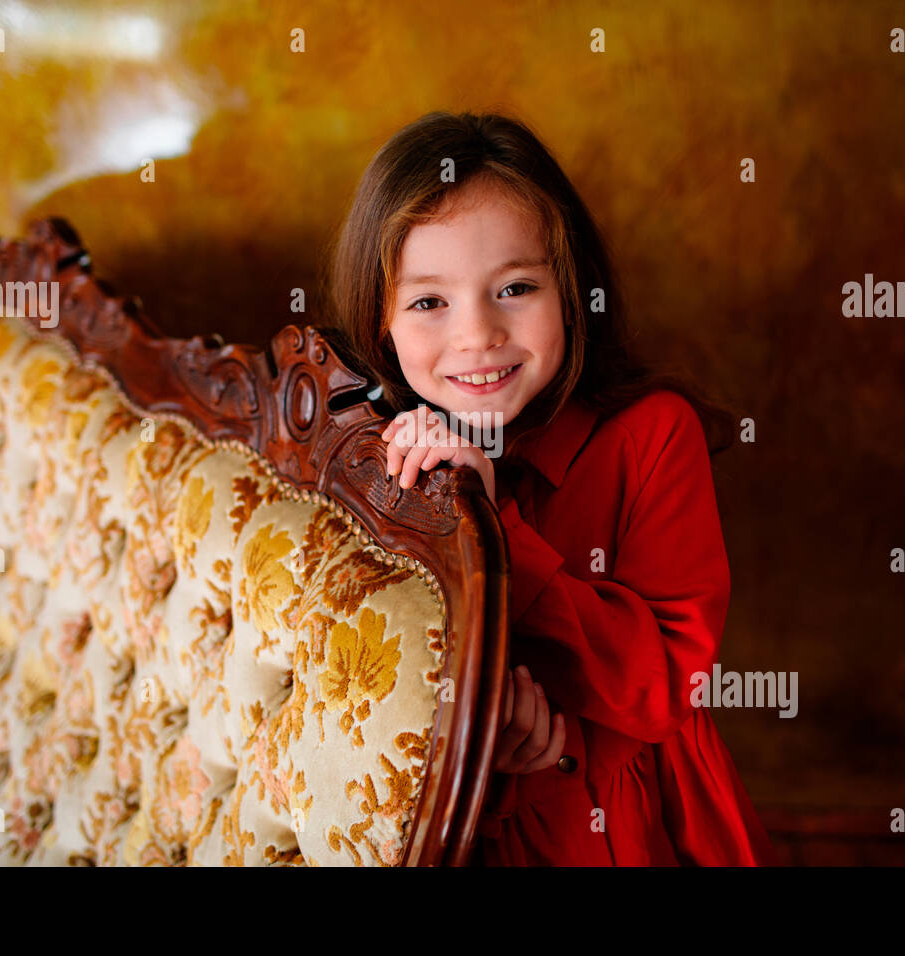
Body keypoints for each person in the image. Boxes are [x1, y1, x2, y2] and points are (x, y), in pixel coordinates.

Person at [325, 110, 775, 866]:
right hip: (468, 827)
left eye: (516, 288)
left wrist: (489, 516)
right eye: (429, 302)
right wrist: (469, 729)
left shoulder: (654, 436)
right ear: (382, 325)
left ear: (573, 292)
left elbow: (661, 685)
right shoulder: (374, 459)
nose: (477, 335)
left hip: (623, 829)